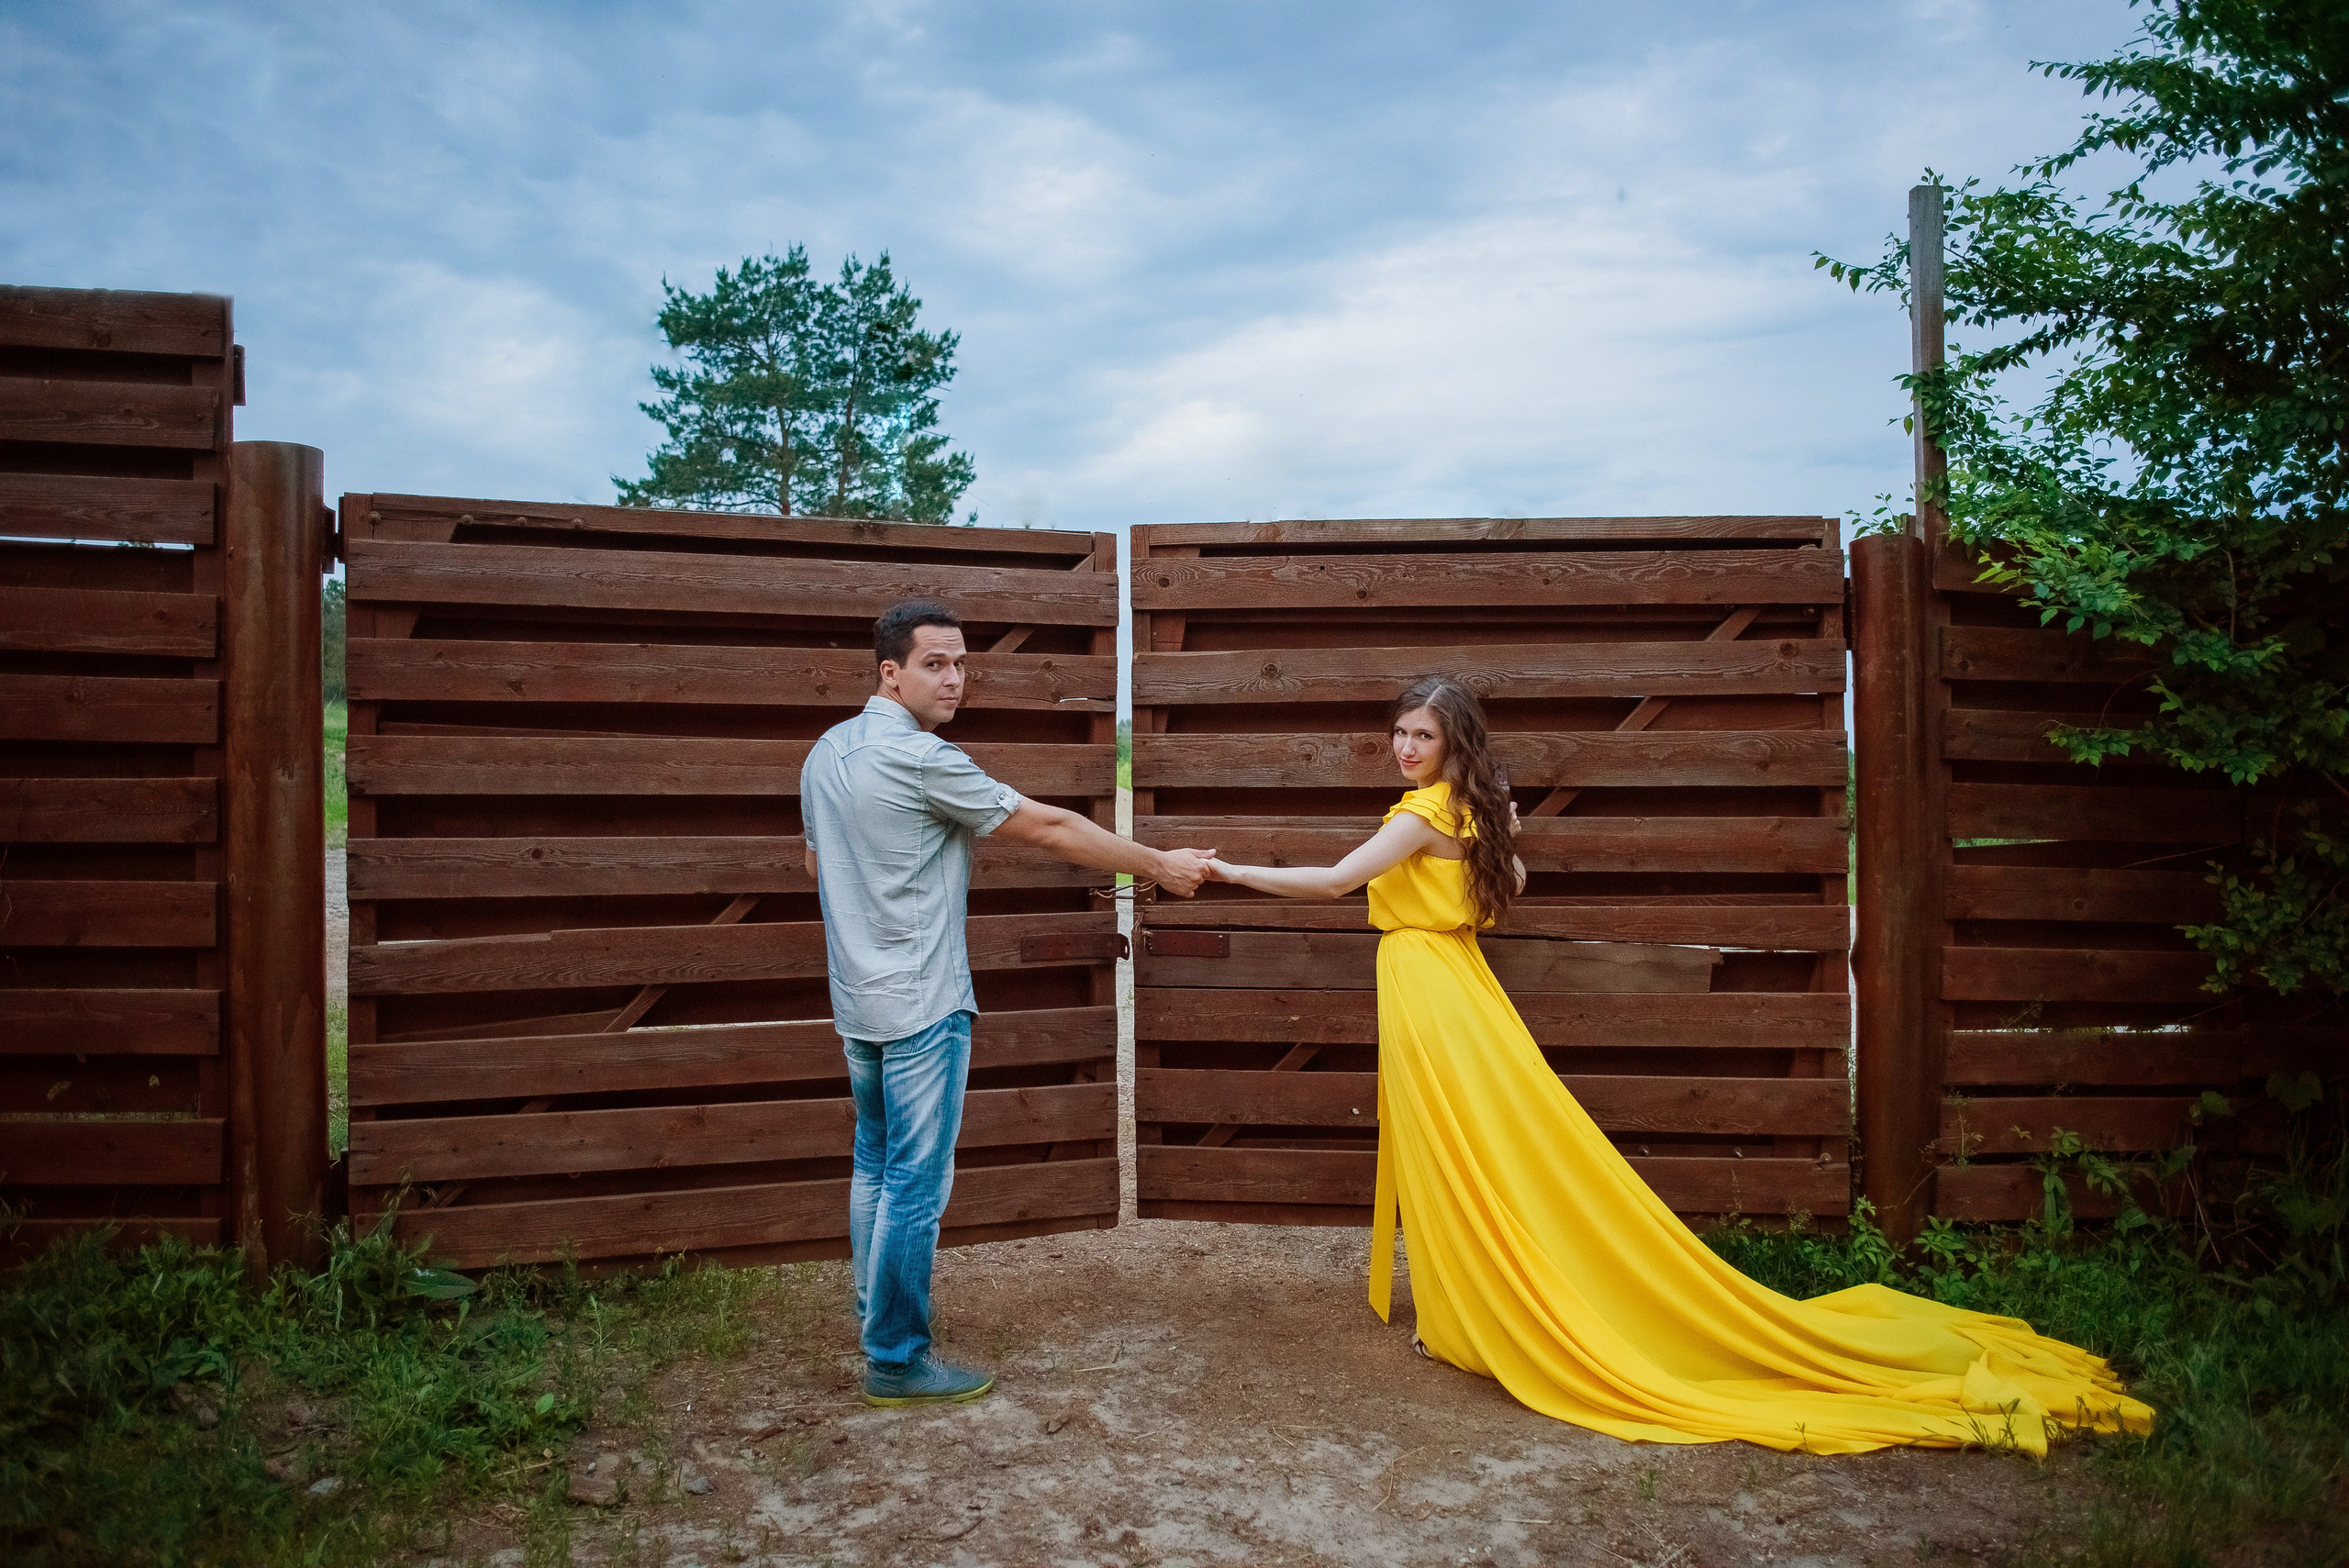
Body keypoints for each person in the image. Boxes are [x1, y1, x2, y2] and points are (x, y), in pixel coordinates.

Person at [1201, 673, 2154, 1453]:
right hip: (1450, 979)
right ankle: (1462, 1302)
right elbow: (1509, 885)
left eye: (1422, 733)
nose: (1406, 746)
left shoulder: (1418, 814)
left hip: (1432, 984)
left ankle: (1477, 1312)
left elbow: (1334, 880)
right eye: (1400, 732)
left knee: (1461, 1148)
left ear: (1454, 740)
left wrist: (1226, 869)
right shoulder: (1480, 811)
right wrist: (1506, 833)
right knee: (1470, 1145)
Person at [802, 596, 1214, 1408]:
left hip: (857, 1000)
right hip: (921, 1004)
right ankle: (894, 1356)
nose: (955, 679)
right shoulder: (925, 760)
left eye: (961, 663)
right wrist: (1158, 865)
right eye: (935, 664)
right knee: (915, 1183)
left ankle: (874, 1315)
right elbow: (1051, 828)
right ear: (891, 672)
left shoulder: (825, 753)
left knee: (875, 1167)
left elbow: (819, 866)